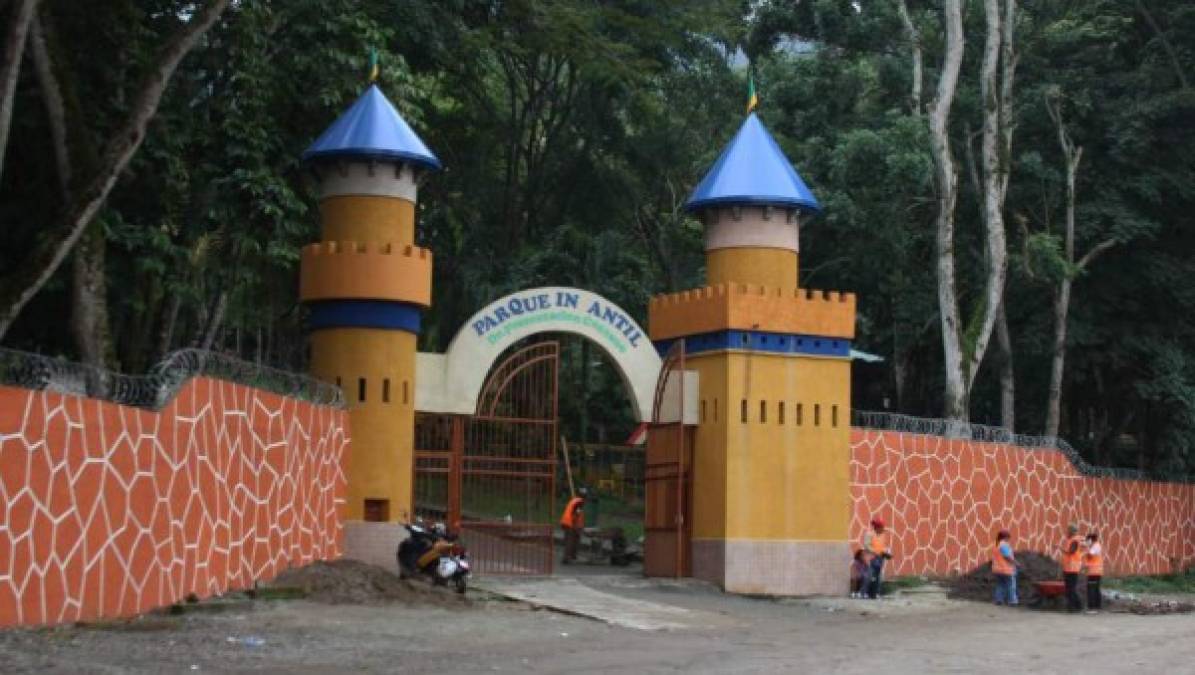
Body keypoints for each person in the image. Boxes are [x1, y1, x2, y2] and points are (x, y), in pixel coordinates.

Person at [862, 517, 892, 599]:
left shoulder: (882, 535)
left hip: (880, 558)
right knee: (869, 576)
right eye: (882, 527)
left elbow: (882, 546)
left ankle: (876, 593)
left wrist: (886, 552)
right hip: (870, 558)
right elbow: (866, 545)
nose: (883, 529)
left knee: (878, 577)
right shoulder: (869, 534)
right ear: (877, 527)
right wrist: (875, 551)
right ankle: (864, 593)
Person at [1060, 523, 1084, 612]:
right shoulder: (1072, 540)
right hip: (1069, 567)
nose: (1067, 532)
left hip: (1072, 567)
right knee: (1070, 588)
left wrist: (1060, 548)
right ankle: (1075, 606)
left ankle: (1074, 606)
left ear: (1071, 531)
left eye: (1068, 530)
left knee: (1071, 588)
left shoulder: (1074, 540)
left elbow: (1071, 552)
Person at [559, 488, 587, 564]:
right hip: (570, 523)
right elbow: (576, 514)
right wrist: (575, 526)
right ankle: (567, 558)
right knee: (570, 541)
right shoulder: (580, 502)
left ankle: (572, 556)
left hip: (565, 521)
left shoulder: (574, 500)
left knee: (573, 539)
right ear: (585, 496)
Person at [992, 529, 1019, 606]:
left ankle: (998, 600)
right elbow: (1007, 556)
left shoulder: (996, 545)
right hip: (1006, 570)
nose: (1009, 539)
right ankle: (1012, 601)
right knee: (1011, 585)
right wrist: (1016, 563)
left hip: (997, 569)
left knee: (1000, 584)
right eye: (1008, 537)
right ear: (1005, 537)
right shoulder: (1003, 545)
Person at [1084, 531, 1104, 614]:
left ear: (1090, 540)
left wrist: (1086, 548)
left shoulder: (1095, 546)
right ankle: (1097, 606)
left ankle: (1092, 607)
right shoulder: (1096, 545)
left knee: (1091, 589)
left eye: (1087, 540)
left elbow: (1090, 555)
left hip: (1094, 571)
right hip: (1095, 571)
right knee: (1095, 589)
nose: (1087, 542)